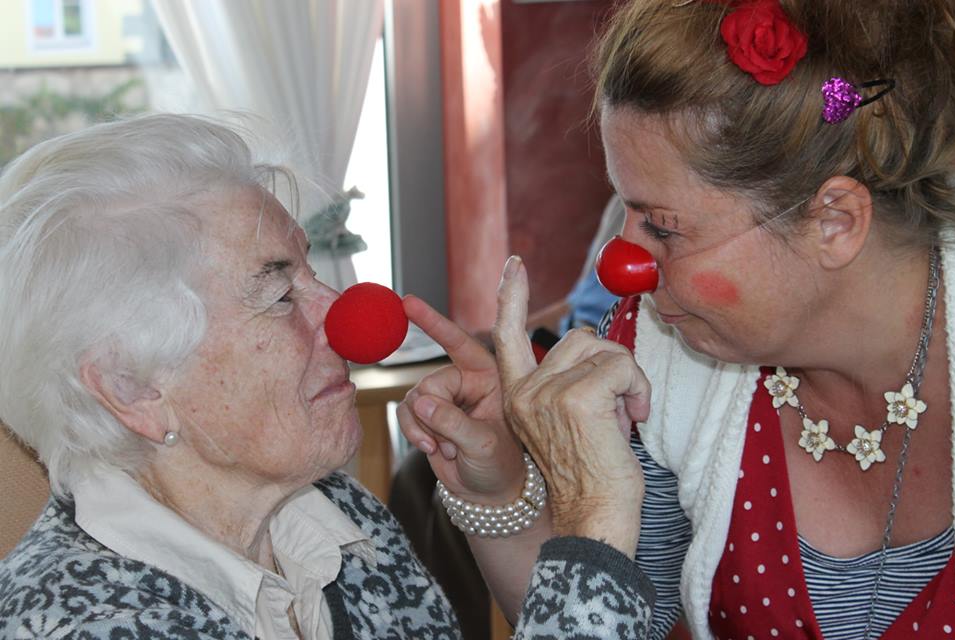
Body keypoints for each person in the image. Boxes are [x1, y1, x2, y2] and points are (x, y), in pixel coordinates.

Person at [398, 0, 955, 638]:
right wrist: (499, 491)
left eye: (662, 226)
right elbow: (613, 618)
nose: (621, 266)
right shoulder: (653, 359)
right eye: (625, 212)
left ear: (833, 222)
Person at [0, 114, 651, 639]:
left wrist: (495, 496)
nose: (341, 313)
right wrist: (595, 518)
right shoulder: (72, 621)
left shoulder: (337, 516)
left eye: (310, 273)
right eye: (279, 295)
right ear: (134, 389)